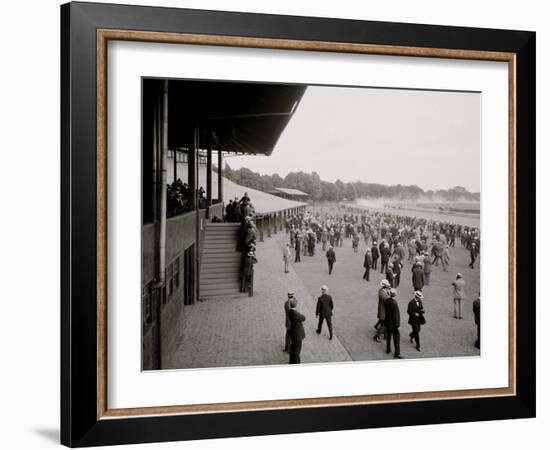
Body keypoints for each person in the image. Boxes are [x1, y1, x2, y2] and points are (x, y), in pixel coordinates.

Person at [385, 289, 403, 358]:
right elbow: (396, 316)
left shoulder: (387, 301)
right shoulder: (395, 304)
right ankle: (397, 353)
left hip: (388, 322)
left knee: (388, 337)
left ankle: (388, 349)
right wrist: (398, 325)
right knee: (396, 339)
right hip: (394, 325)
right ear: (395, 295)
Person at [288, 297, 306, 364]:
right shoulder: (295, 314)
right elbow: (303, 318)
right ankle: (296, 363)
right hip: (297, 335)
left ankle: (291, 361)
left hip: (293, 333)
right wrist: (297, 311)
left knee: (293, 348)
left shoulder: (290, 311)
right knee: (297, 351)